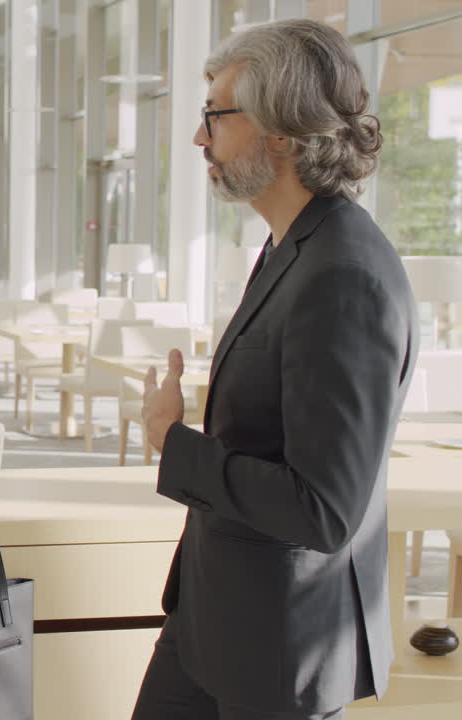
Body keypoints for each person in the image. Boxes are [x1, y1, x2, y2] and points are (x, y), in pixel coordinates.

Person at [133, 19, 419, 720]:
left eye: (215, 117)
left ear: (282, 132)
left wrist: (174, 441)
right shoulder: (294, 246)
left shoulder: (345, 274)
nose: (201, 138)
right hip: (220, 620)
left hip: (277, 652)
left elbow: (322, 510)